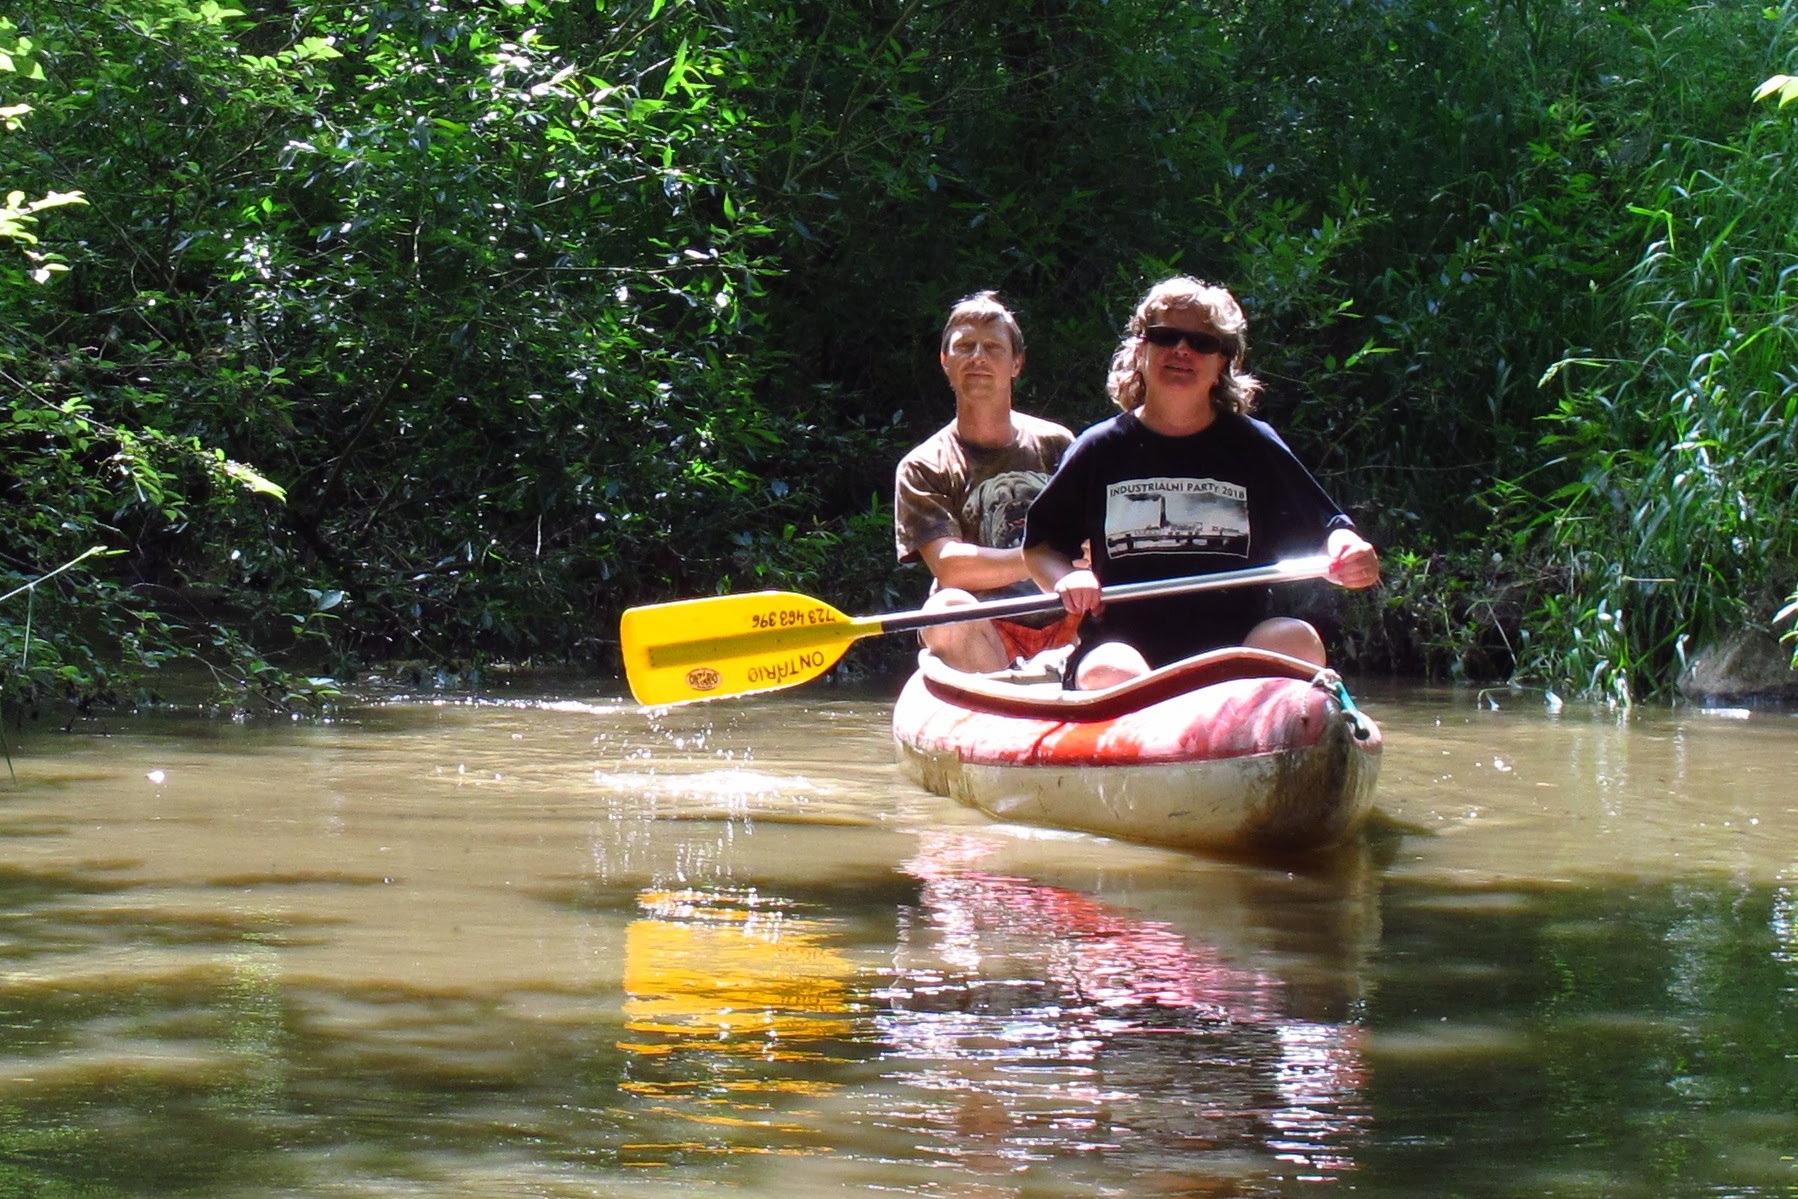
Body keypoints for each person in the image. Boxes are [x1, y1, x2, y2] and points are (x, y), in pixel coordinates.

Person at [1022, 276, 1380, 690]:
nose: (1182, 350)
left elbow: (1329, 531)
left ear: (1222, 362)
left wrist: (1347, 550)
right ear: (1142, 351)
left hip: (1234, 652)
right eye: (1165, 336)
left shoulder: (1253, 444)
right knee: (1111, 671)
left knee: (1297, 640)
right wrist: (1067, 579)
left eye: (1201, 342)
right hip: (1124, 647)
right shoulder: (1100, 448)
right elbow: (1042, 547)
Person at [894, 291, 1080, 673]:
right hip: (986, 634)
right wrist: (1045, 558)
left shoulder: (1058, 444)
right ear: (945, 361)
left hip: (1069, 618)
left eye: (993, 347)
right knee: (945, 609)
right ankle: (1001, 694)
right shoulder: (923, 465)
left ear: (1016, 363)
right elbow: (953, 568)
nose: (978, 357)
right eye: (965, 347)